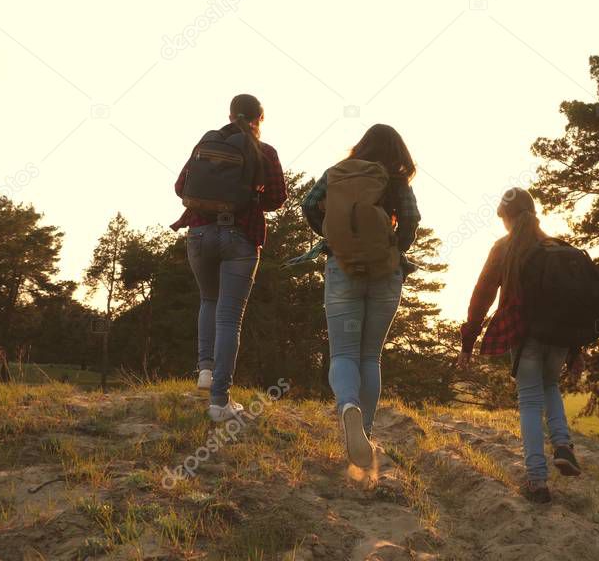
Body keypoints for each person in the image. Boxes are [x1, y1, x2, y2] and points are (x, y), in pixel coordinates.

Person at [301, 124, 420, 468]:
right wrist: (394, 249)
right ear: (398, 152)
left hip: (342, 269)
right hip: (385, 274)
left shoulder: (336, 173)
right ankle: (364, 436)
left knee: (343, 354)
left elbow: (308, 204)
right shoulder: (396, 180)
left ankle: (348, 407)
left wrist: (336, 238)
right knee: (370, 356)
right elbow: (411, 219)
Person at [457, 187, 583, 504]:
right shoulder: (556, 247)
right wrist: (577, 350)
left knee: (528, 401)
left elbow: (481, 296)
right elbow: (572, 304)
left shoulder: (504, 248)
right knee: (550, 385)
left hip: (525, 336)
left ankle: (537, 481)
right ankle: (563, 444)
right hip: (559, 338)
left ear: (507, 218)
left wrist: (468, 341)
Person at [170, 94, 287, 422]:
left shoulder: (206, 143)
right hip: (240, 238)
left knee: (208, 300)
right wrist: (249, 197)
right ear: (259, 119)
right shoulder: (264, 152)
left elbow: (181, 187)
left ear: (230, 114)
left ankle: (205, 372)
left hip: (199, 234)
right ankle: (220, 402)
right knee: (229, 318)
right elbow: (277, 198)